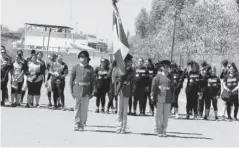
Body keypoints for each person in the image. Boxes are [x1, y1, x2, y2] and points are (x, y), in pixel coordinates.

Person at [69, 50, 94, 131]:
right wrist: (72, 91)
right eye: (81, 57)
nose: (82, 58)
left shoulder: (90, 69)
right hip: (77, 90)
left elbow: (93, 81)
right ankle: (76, 123)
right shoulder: (75, 67)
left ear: (87, 58)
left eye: (84, 57)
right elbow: (71, 80)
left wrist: (92, 92)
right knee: (77, 108)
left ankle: (82, 124)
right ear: (79, 58)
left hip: (86, 91)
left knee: (84, 109)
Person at [151, 60, 175, 137]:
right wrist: (152, 95)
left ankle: (164, 129)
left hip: (168, 99)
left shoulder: (170, 77)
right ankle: (159, 130)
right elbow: (153, 87)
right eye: (164, 67)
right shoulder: (157, 77)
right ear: (162, 67)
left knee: (165, 116)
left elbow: (173, 88)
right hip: (159, 98)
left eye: (167, 67)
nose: (166, 69)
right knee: (159, 115)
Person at [115, 54, 134, 134]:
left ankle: (123, 127)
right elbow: (116, 78)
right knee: (119, 110)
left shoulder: (132, 71)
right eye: (126, 62)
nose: (127, 63)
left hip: (126, 90)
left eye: (129, 62)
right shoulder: (120, 70)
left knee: (125, 110)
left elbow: (131, 80)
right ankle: (118, 126)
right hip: (120, 91)